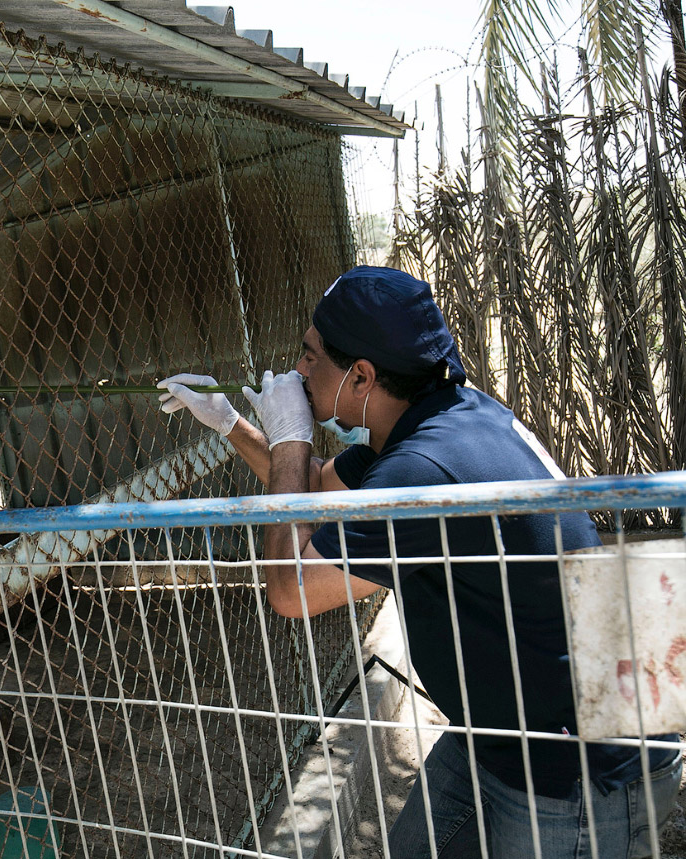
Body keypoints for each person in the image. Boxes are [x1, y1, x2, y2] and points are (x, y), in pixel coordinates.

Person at [157, 266, 681, 857]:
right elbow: (312, 492)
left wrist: (290, 439)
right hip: (502, 732)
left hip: (578, 763)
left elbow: (292, 590)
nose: (297, 371)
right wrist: (231, 423)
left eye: (309, 356)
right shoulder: (438, 419)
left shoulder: (420, 472)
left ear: (361, 376)